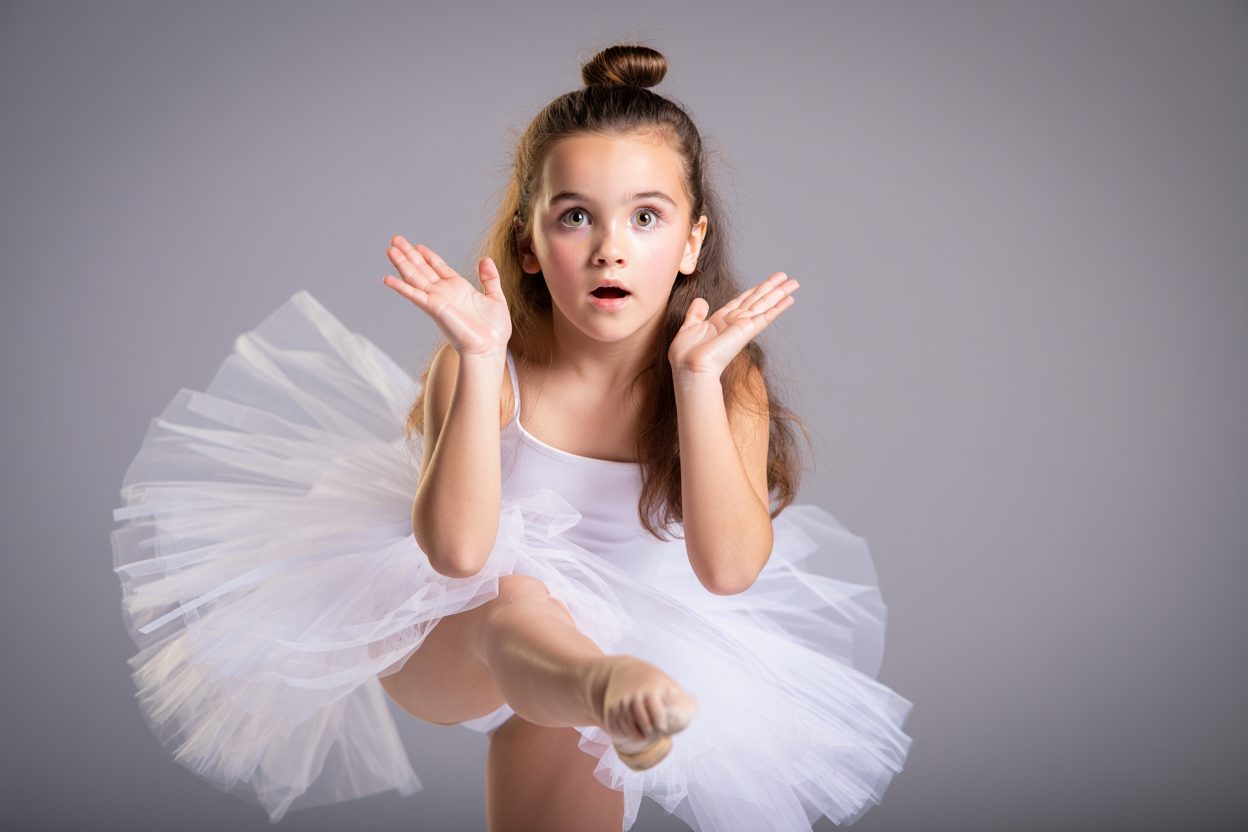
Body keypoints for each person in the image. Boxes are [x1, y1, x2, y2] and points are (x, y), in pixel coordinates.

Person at [113, 45, 912, 832]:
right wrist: (477, 355)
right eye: (575, 217)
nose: (610, 247)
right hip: (455, 638)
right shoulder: (487, 368)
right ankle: (600, 686)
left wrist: (698, 385)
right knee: (522, 597)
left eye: (645, 217)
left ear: (692, 244)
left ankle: (604, 702)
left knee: (566, 769)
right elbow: (458, 555)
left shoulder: (724, 381)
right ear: (529, 246)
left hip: (624, 649)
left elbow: (730, 570)